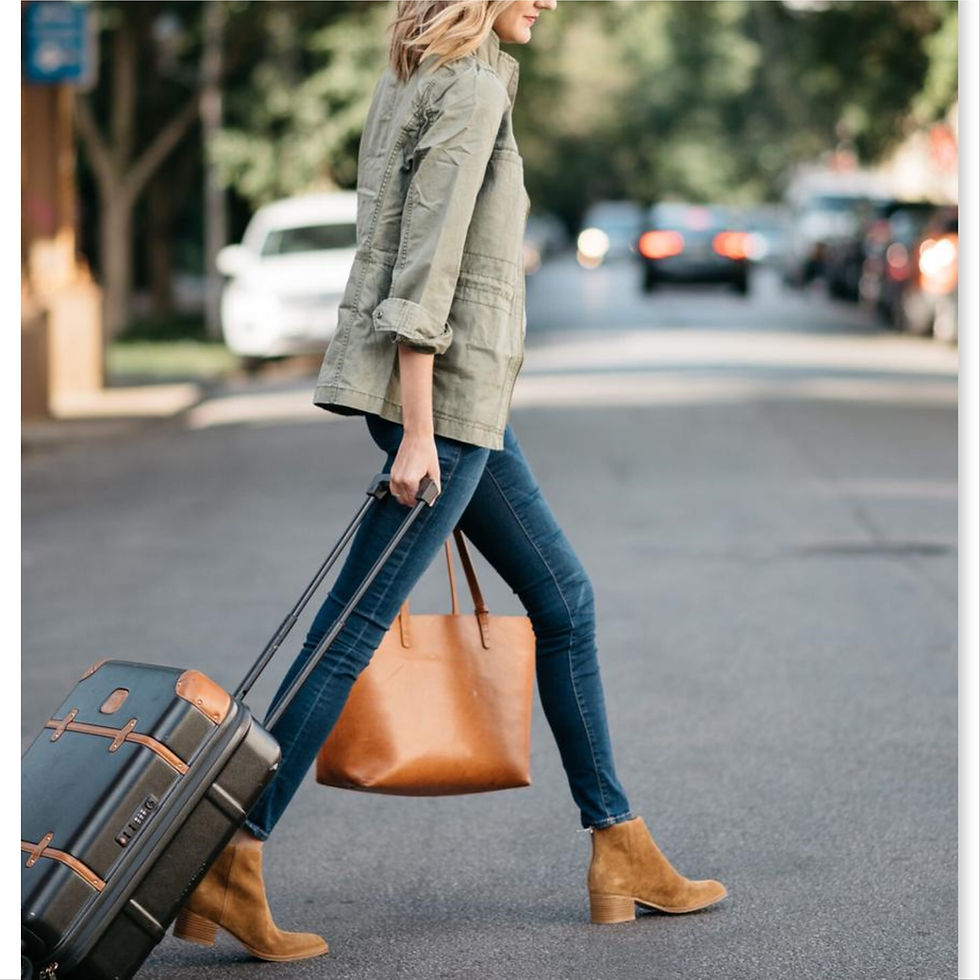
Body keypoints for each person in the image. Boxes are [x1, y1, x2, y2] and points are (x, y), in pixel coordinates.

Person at [173, 0, 727, 962]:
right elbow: (423, 274)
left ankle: (619, 849)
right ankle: (234, 853)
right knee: (348, 633)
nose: (549, 1)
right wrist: (422, 432)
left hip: (464, 410)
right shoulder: (465, 88)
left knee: (565, 602)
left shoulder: (411, 78)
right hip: (446, 409)